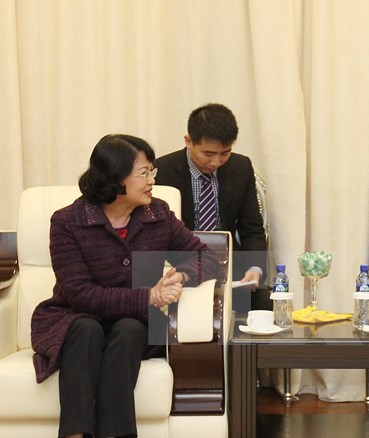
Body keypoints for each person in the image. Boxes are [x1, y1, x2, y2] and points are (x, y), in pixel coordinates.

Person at [30, 134, 219, 438]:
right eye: (144, 173)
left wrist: (180, 276)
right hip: (74, 318)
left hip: (136, 324)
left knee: (129, 329)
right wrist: (149, 296)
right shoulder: (67, 222)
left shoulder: (157, 214)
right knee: (86, 330)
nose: (151, 181)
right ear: (114, 178)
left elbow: (207, 259)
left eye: (152, 171)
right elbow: (79, 294)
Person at [155, 103, 270, 311]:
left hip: (230, 269)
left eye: (224, 153)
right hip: (182, 267)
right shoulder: (162, 171)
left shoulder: (240, 167)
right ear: (188, 141)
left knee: (264, 302)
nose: (216, 162)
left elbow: (252, 228)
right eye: (208, 154)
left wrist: (254, 268)